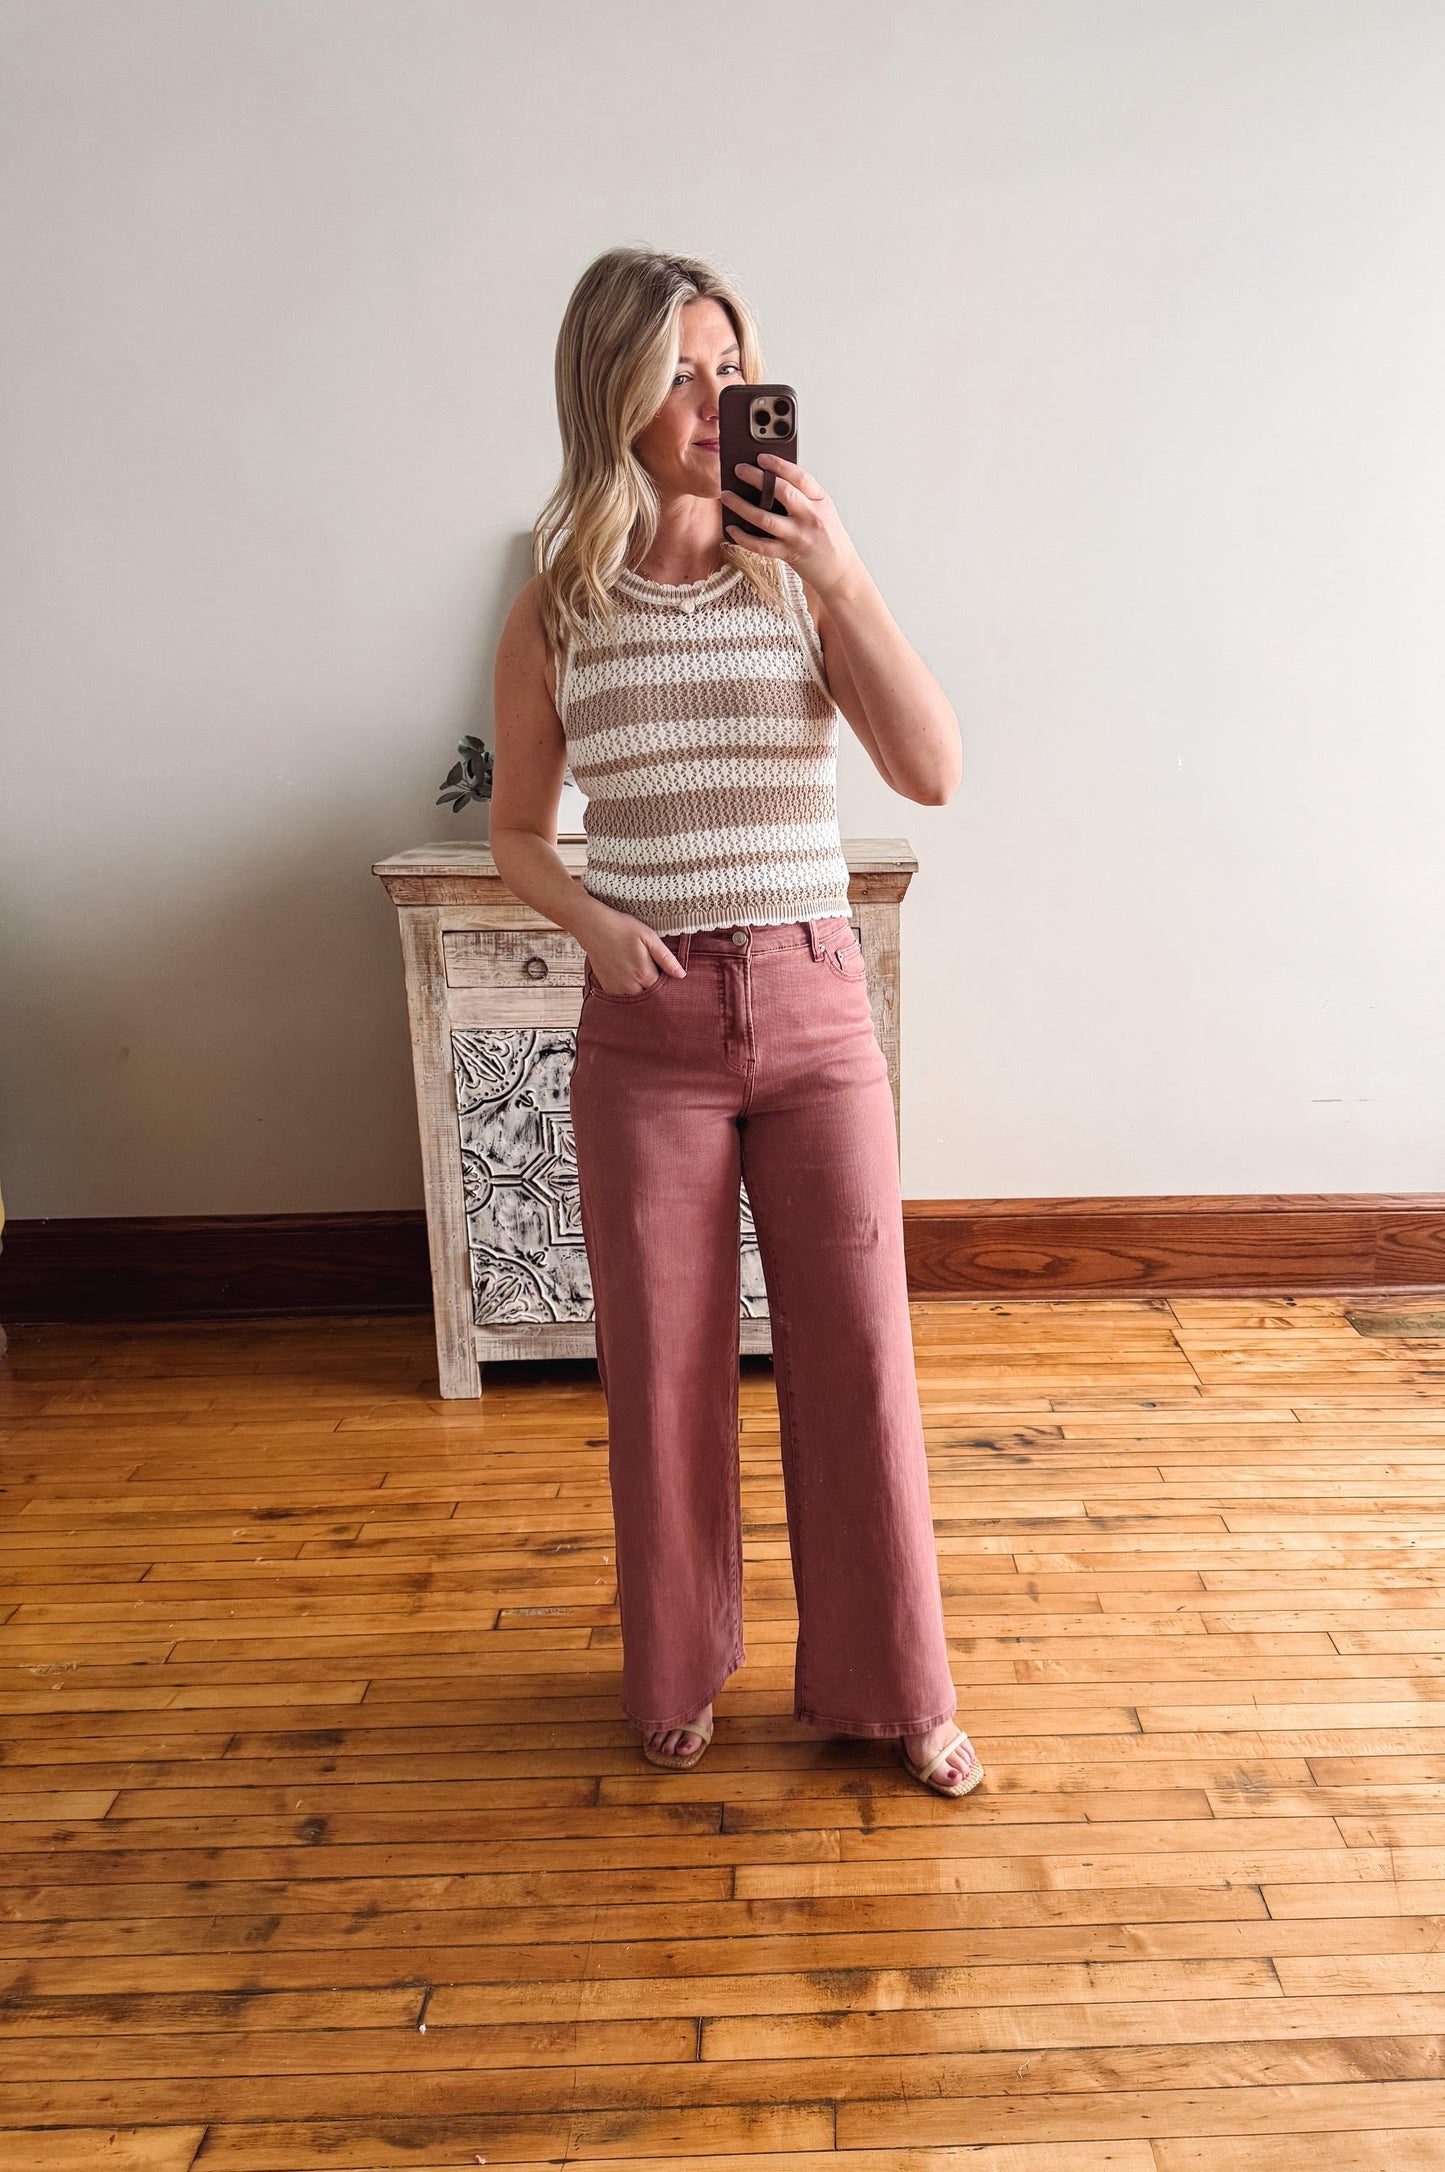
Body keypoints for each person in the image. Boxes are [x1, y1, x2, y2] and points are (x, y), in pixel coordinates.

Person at [488, 246, 981, 1800]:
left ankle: (895, 1688)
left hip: (815, 1000)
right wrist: (594, 924)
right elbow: (515, 833)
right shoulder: (558, 605)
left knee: (858, 1362)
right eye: (680, 376)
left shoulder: (801, 571)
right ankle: (678, 1667)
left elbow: (931, 769)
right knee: (664, 1370)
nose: (714, 403)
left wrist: (844, 576)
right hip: (647, 1029)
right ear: (614, 395)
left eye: (730, 368)